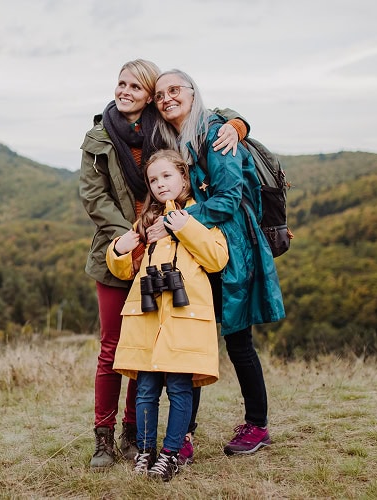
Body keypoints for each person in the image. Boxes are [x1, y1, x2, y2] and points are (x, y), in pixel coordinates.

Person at [79, 59, 248, 469]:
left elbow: (209, 114)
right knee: (112, 348)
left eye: (137, 86)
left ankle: (137, 436)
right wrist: (135, 234)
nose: (126, 91)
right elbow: (94, 196)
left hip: (171, 245)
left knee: (151, 351)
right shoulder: (99, 137)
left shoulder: (165, 126)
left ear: (150, 93)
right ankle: (104, 436)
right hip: (126, 244)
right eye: (121, 83)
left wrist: (238, 125)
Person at [151, 69, 286, 456]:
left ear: (193, 93)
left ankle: (257, 426)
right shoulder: (178, 138)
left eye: (174, 90)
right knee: (195, 338)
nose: (167, 98)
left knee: (239, 341)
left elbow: (228, 198)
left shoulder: (214, 133)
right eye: (160, 94)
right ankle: (184, 434)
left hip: (232, 247)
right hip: (201, 241)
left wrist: (177, 224)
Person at [106, 149, 229, 481]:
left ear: (184, 177)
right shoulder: (145, 221)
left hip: (183, 317)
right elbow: (125, 269)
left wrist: (184, 227)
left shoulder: (202, 215)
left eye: (167, 176)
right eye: (153, 179)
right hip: (147, 317)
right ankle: (146, 451)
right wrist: (117, 250)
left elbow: (217, 258)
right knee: (146, 388)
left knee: (178, 387)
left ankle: (171, 453)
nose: (160, 184)